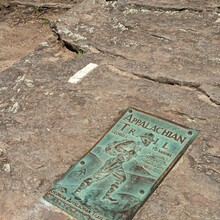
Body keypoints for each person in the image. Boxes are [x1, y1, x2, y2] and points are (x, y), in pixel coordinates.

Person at [74, 133, 155, 202]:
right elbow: (118, 147)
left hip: (119, 164)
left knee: (121, 179)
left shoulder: (138, 147)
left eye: (149, 142)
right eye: (147, 140)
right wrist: (126, 152)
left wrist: (131, 155)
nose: (148, 143)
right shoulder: (132, 143)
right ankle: (77, 191)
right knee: (97, 177)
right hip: (114, 162)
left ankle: (107, 196)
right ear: (143, 139)